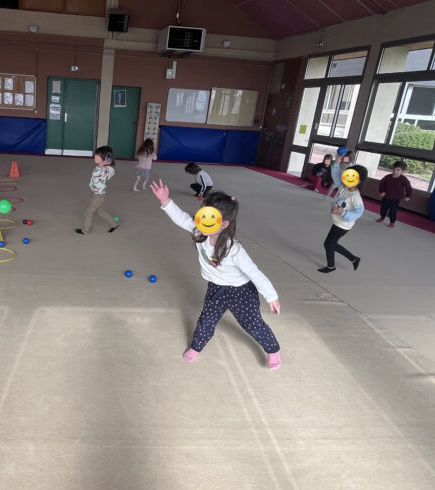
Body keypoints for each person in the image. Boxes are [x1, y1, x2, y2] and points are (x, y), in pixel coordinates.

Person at [149, 180, 282, 369]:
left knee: (253, 325)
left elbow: (254, 272)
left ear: (224, 224)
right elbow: (181, 218)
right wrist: (165, 200)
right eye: (201, 215)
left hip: (241, 292)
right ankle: (196, 347)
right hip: (216, 289)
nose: (200, 221)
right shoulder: (200, 232)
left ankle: (273, 349)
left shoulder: (234, 250)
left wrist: (271, 296)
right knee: (206, 321)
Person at [319, 164, 367, 274]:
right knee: (331, 244)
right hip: (338, 222)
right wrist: (337, 162)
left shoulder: (355, 197)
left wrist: (343, 212)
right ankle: (354, 259)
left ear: (358, 181)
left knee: (329, 244)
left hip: (343, 225)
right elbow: (336, 175)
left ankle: (331, 266)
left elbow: (359, 212)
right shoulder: (343, 186)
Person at [75, 146, 118, 235]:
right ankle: (114, 224)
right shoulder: (102, 168)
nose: (95, 157)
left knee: (88, 213)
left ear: (105, 159)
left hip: (97, 196)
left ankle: (85, 231)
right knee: (101, 212)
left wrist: (103, 164)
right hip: (96, 194)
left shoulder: (105, 170)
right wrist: (103, 164)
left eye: (97, 156)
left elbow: (102, 173)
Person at [377, 160, 412, 228]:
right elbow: (381, 184)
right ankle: (382, 217)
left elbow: (409, 188)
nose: (395, 171)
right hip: (386, 197)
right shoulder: (387, 177)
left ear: (402, 171)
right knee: (383, 209)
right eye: (394, 169)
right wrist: (381, 191)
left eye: (398, 170)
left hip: (396, 199)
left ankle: (392, 222)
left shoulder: (404, 179)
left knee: (393, 211)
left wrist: (408, 196)